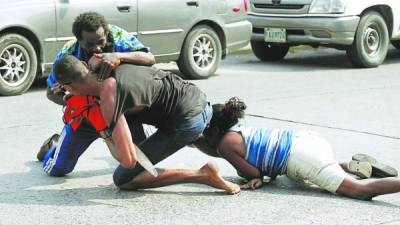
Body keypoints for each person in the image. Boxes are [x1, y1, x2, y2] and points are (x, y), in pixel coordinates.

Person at [52, 55, 240, 194]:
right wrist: (119, 55)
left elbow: (127, 160)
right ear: (84, 65)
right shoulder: (103, 61)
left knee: (123, 178)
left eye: (66, 90)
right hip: (195, 97)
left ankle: (204, 175)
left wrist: (102, 130)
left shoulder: (108, 99)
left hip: (188, 121)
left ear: (69, 87)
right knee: (132, 122)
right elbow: (150, 58)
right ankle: (206, 143)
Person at [194, 97, 399, 200]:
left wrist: (253, 177)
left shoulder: (225, 145)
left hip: (301, 158)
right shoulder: (238, 130)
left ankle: (342, 168)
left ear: (213, 128)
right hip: (306, 141)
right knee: (297, 177)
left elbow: (254, 172)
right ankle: (345, 165)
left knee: (361, 191)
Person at [37, 12, 155, 176]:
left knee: (144, 164)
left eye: (101, 42)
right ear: (79, 41)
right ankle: (52, 146)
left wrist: (118, 56)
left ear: (106, 33)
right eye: (90, 45)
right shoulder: (68, 54)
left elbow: (149, 58)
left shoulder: (118, 36)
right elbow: (51, 93)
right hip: (88, 114)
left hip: (121, 109)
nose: (97, 49)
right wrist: (73, 98)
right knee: (58, 169)